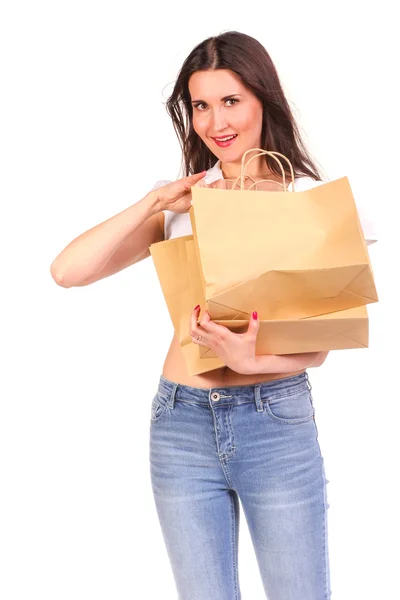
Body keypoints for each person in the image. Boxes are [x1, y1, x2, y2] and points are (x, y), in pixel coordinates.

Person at [50, 30, 377, 600]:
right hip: (181, 422)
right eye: (201, 105)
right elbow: (68, 272)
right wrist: (154, 203)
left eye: (231, 101)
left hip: (275, 421)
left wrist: (252, 359)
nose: (215, 122)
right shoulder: (179, 199)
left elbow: (321, 343)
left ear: (262, 100)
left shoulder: (313, 204)